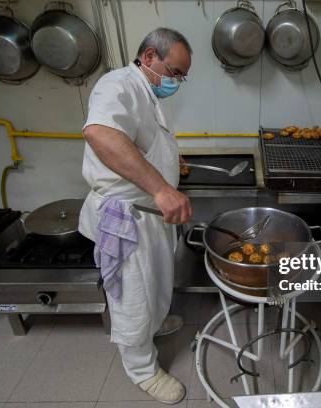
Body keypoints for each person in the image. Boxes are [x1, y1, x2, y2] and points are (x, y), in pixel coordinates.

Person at [79, 28, 194, 404]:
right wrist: (162, 188)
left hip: (149, 216)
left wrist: (169, 163)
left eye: (181, 76)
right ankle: (142, 370)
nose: (176, 82)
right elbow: (101, 134)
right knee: (134, 298)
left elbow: (139, 140)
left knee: (157, 282)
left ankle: (154, 327)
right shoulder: (118, 85)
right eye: (174, 72)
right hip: (127, 217)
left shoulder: (146, 91)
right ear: (148, 57)